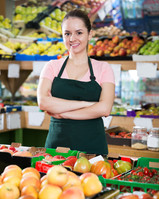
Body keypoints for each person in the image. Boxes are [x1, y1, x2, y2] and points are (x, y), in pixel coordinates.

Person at [37, 9, 115, 155]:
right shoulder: (52, 67)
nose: (72, 38)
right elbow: (43, 103)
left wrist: (64, 113)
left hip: (93, 151)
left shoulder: (103, 68)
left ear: (90, 34)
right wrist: (88, 105)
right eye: (67, 33)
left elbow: (105, 109)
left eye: (79, 33)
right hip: (57, 148)